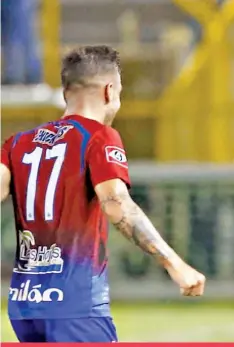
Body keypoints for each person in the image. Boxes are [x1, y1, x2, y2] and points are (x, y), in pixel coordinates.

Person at [0, 45, 206, 342]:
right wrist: (176, 264)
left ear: (66, 92)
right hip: (75, 303)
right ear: (109, 91)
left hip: (24, 305)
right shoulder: (98, 137)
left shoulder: (18, 143)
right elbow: (116, 204)